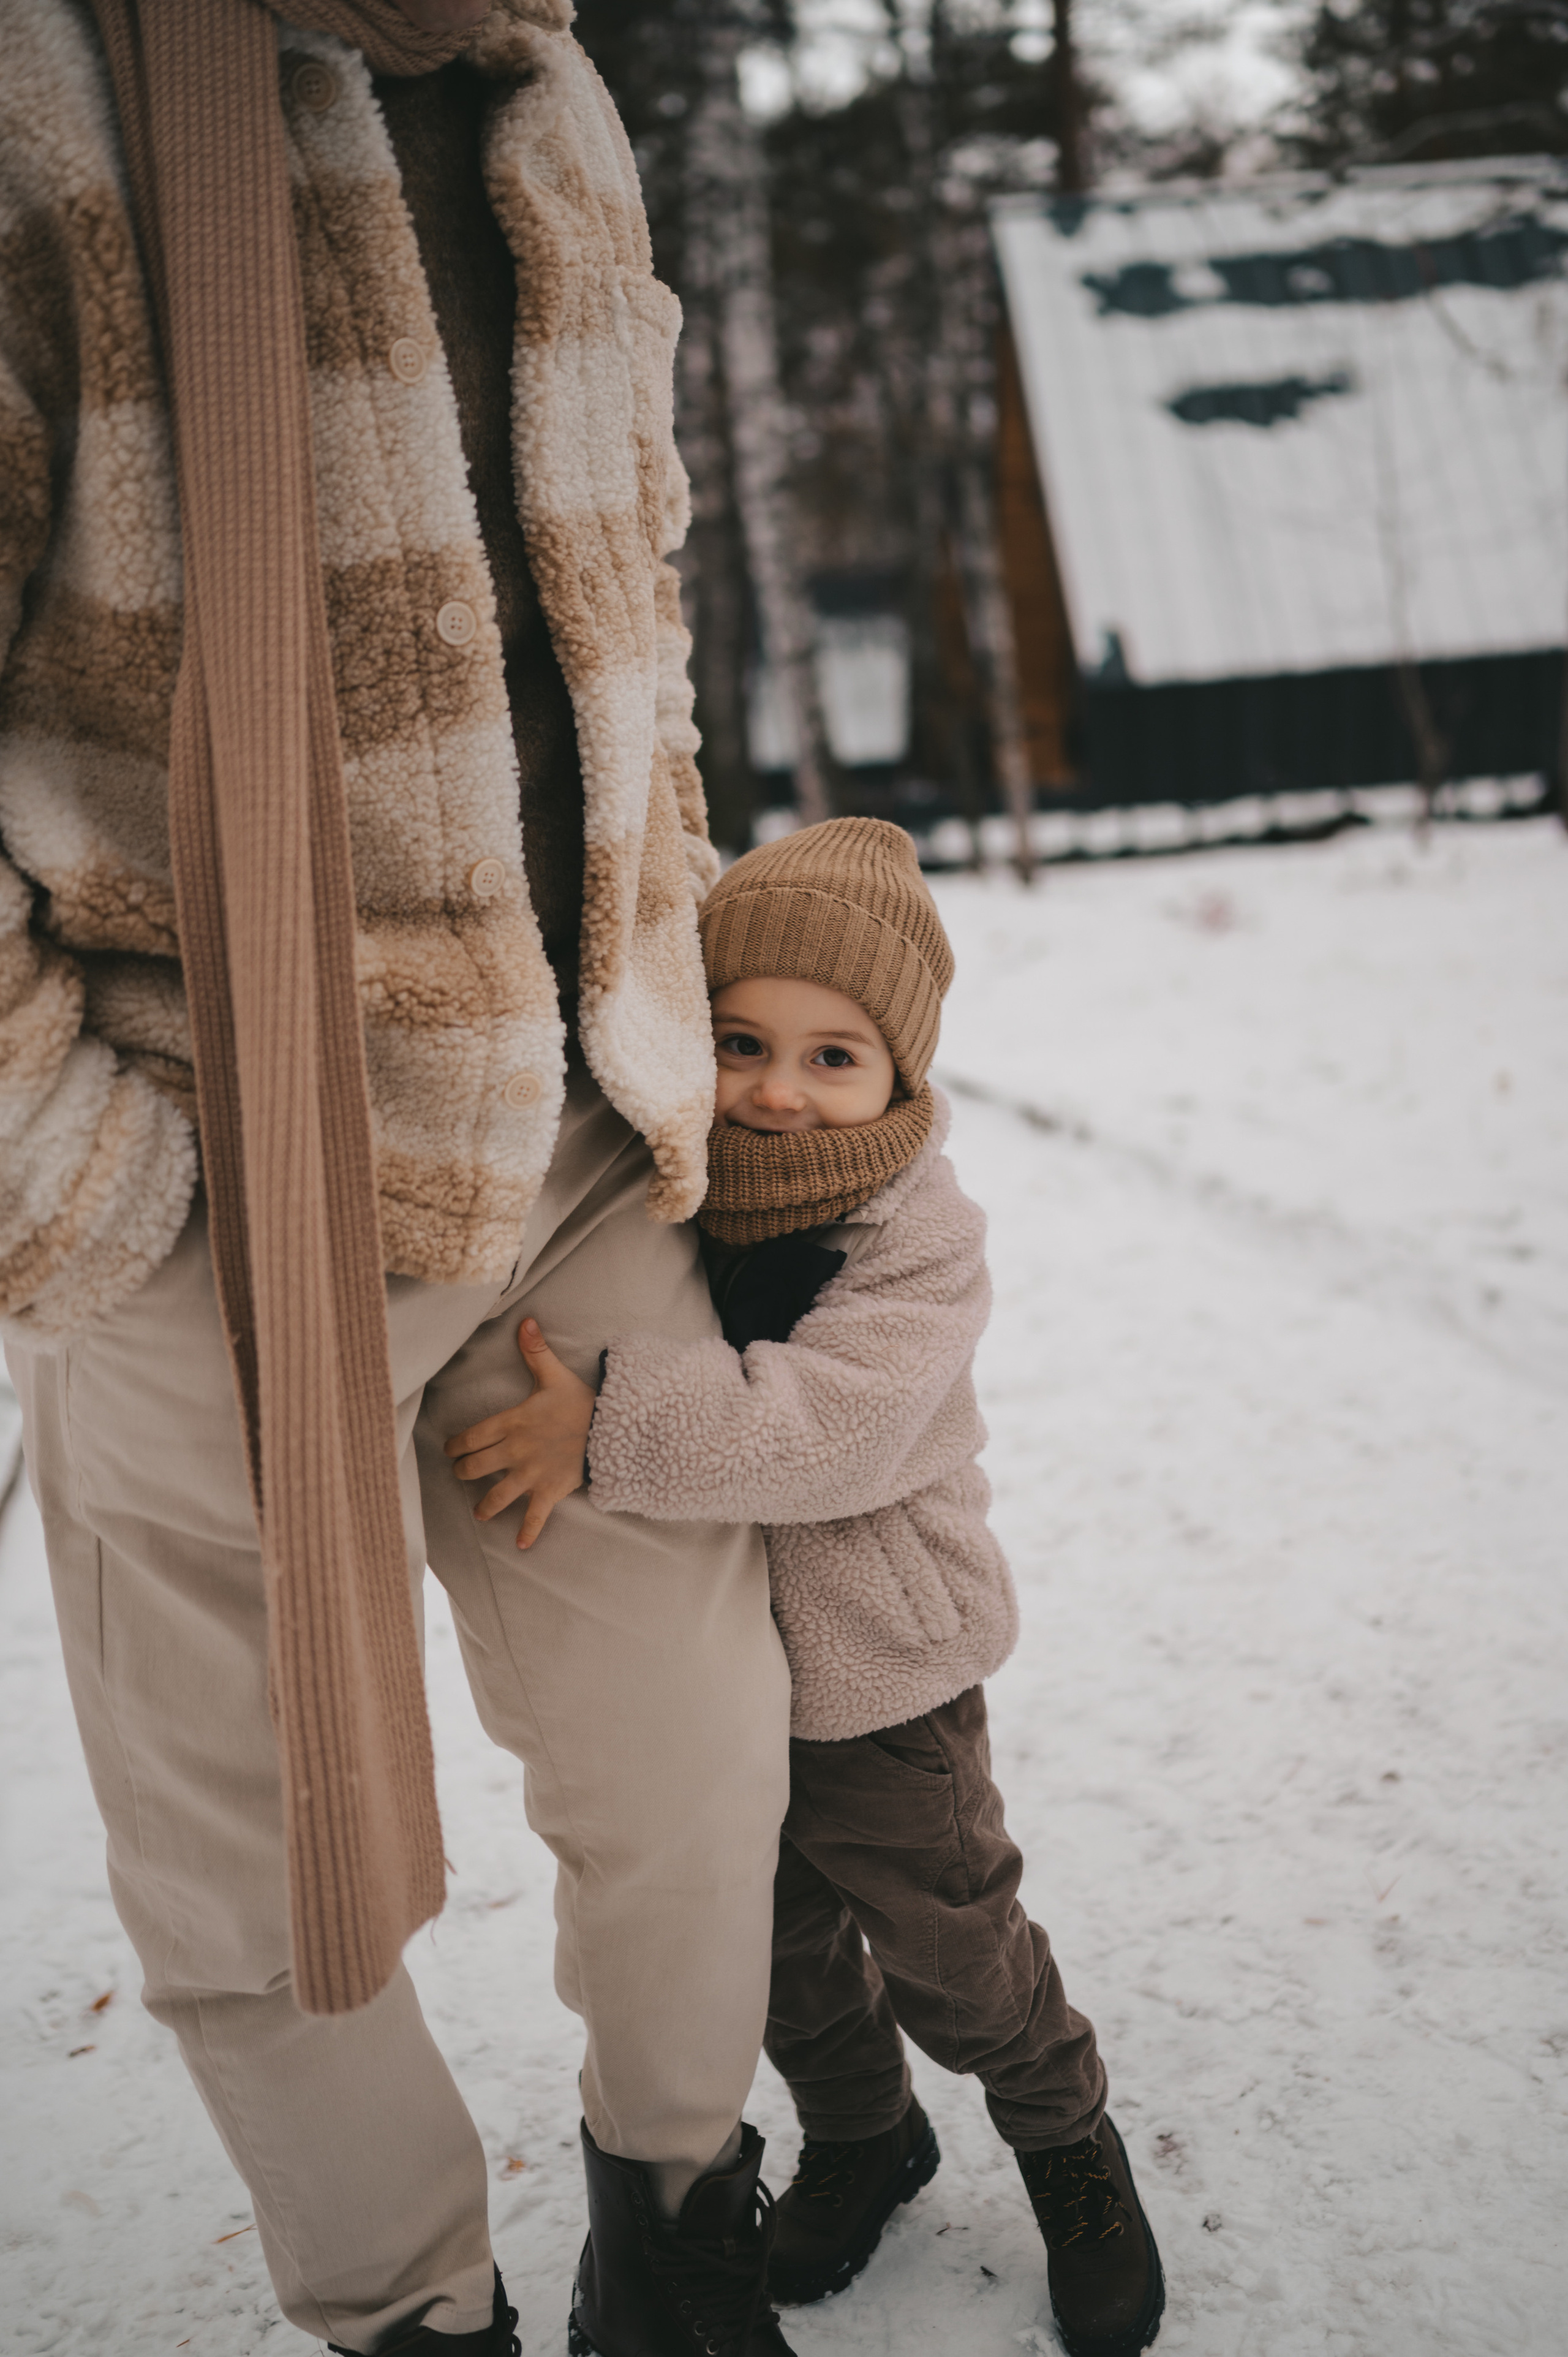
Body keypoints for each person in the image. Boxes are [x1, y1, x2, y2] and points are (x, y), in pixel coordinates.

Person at [0, 4, 798, 2352]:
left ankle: (677, 2219)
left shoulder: (544, 76)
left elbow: (621, 595)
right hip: (204, 1182)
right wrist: (80, 1177)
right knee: (260, 1873)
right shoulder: (50, 81)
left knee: (690, 1751)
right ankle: (411, 2312)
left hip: (570, 1151)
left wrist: (683, 985)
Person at [469, 819, 1167, 2357]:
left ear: (898, 1076)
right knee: (769, 1957)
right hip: (716, 1670)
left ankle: (1066, 2144)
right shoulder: (672, 1191)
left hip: (877, 1674)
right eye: (740, 1041)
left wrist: (612, 1419)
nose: (778, 1089)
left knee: (948, 1942)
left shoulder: (921, 1235)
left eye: (832, 1056)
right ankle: (864, 2135)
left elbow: (834, 1428)